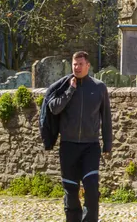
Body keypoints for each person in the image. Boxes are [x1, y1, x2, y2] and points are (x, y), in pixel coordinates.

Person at [46, 51, 112, 222]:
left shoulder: (99, 87)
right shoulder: (64, 86)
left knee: (91, 188)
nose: (77, 67)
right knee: (71, 190)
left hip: (90, 146)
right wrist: (70, 90)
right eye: (74, 64)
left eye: (80, 64)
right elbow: (54, 108)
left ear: (88, 66)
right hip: (68, 145)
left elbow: (106, 117)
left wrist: (108, 145)